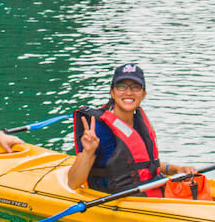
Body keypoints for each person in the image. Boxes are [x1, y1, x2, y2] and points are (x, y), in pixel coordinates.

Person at [68, 64, 202, 197]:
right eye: (121, 86)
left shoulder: (139, 122)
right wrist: (88, 152)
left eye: (135, 87)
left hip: (149, 192)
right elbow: (73, 183)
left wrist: (176, 169)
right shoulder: (98, 128)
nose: (128, 92)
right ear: (112, 92)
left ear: (143, 94)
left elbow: (144, 165)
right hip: (118, 199)